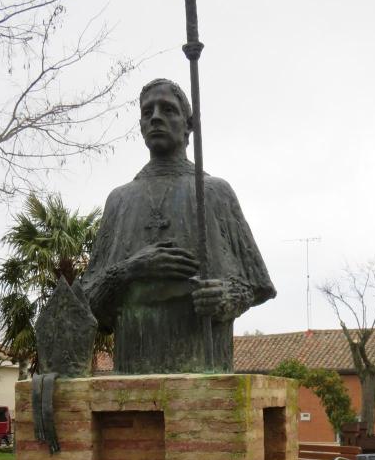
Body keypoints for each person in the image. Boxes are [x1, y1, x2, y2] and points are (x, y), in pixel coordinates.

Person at [80, 78, 276, 374]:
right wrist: (131, 269)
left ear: (189, 125)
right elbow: (89, 302)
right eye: (147, 112)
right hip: (133, 372)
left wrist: (226, 297)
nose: (155, 117)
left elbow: (253, 286)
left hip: (205, 370)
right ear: (141, 126)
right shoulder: (119, 200)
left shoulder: (215, 192)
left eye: (168, 109)